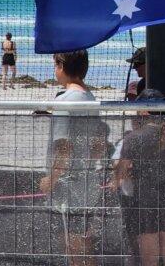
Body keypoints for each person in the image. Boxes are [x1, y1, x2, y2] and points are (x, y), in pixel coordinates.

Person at [41, 50, 107, 266]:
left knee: (73, 245)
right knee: (83, 244)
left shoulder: (65, 100)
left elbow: (64, 149)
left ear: (61, 66)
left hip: (67, 188)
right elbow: (98, 145)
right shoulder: (90, 97)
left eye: (55, 65)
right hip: (87, 183)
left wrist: (50, 179)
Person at [116, 89, 165, 266]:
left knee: (149, 253)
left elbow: (121, 170)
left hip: (145, 198)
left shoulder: (134, 137)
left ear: (144, 110)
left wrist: (122, 174)